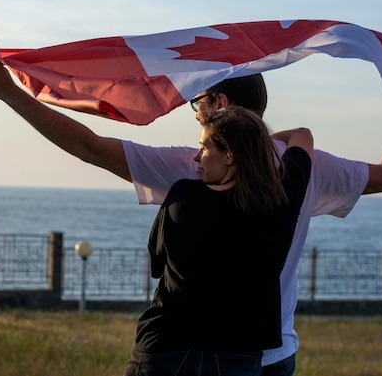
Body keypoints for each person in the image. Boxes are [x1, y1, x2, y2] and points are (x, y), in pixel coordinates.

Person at [0, 51, 382, 375]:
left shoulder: (188, 164)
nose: (193, 113)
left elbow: (88, 146)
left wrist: (10, 95)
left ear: (220, 105)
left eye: (197, 101)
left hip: (190, 350)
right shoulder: (305, 168)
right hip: (270, 352)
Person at [123, 106, 313, 376]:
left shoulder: (183, 197)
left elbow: (157, 262)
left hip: (167, 349)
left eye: (204, 147)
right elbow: (303, 136)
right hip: (237, 357)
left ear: (230, 155)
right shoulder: (283, 202)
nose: (197, 157)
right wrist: (256, 143)